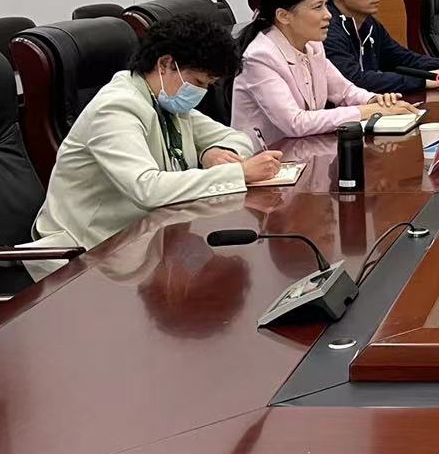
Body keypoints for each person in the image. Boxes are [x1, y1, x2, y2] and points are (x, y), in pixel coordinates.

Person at [26, 15, 280, 275]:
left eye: (207, 85)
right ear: (165, 64)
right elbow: (147, 188)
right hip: (88, 253)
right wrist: (237, 173)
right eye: (198, 82)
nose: (201, 93)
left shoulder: (165, 100)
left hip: (147, 237)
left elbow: (237, 138)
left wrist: (212, 152)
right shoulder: (116, 108)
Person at [231, 0, 421, 143]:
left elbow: (345, 92)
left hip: (305, 150)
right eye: (318, 7)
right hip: (265, 159)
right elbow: (295, 123)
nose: (328, 14)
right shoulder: (260, 57)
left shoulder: (312, 45)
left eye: (326, 5)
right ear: (283, 16)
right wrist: (366, 111)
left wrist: (375, 101)